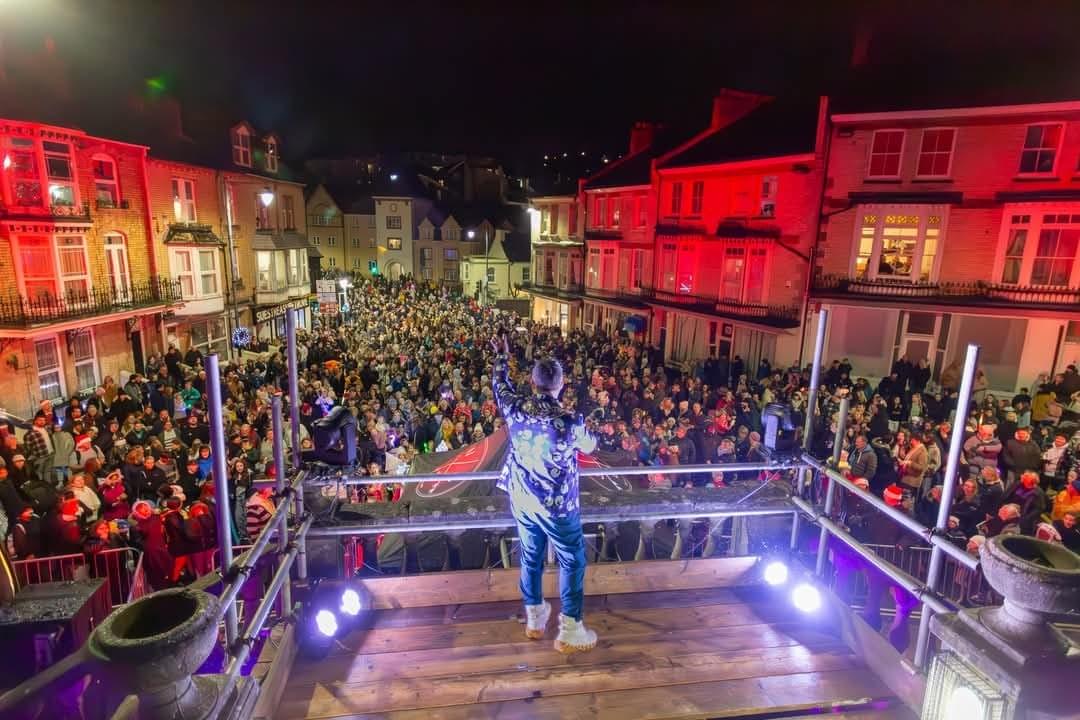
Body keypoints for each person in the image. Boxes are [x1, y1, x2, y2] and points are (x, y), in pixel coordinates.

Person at [491, 333, 598, 654]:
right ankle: (571, 628)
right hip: (557, 504)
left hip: (523, 498)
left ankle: (535, 619)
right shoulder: (569, 421)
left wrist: (502, 356)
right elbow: (590, 446)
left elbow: (500, 384)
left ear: (532, 382)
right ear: (561, 385)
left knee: (530, 555)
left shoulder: (514, 408)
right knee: (572, 559)